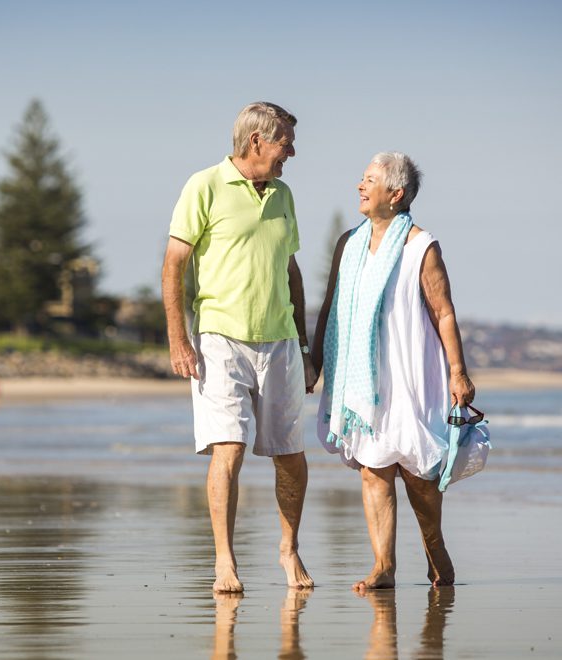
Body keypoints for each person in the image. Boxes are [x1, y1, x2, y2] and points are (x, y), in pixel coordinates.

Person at [162, 102, 317, 593]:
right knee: (227, 449)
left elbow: (291, 272)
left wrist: (306, 345)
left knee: (290, 453)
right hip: (219, 339)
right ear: (257, 141)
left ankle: (288, 549)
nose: (291, 151)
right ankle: (224, 561)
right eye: (285, 143)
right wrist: (178, 340)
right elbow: (174, 266)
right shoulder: (203, 186)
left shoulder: (285, 194)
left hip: (281, 341)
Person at [312, 151, 475, 592]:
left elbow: (443, 313)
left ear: (396, 193)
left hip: (408, 370)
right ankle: (384, 565)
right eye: (361, 179)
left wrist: (458, 372)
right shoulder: (349, 243)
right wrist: (317, 361)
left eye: (369, 180)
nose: (360, 187)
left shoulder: (422, 245)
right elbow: (331, 304)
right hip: (360, 374)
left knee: (418, 471)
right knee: (373, 468)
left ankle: (435, 547)